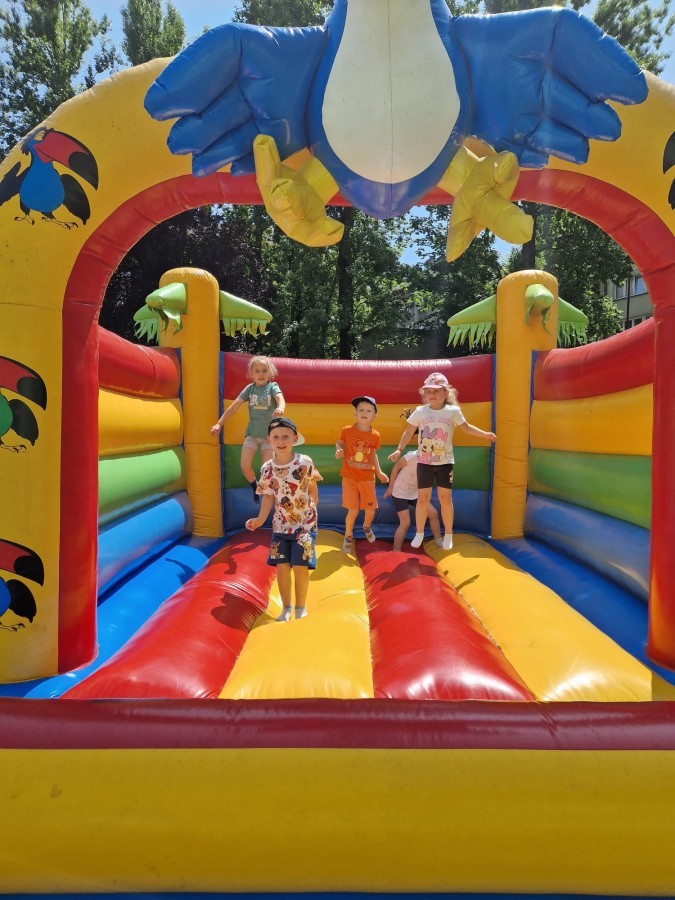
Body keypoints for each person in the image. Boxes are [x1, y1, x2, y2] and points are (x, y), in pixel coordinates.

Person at [388, 372, 496, 551]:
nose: (432, 394)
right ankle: (420, 533)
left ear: (446, 393)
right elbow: (408, 432)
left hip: (445, 462)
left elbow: (466, 428)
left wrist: (484, 434)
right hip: (424, 463)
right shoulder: (420, 411)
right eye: (428, 391)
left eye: (436, 391)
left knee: (445, 498)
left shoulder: (452, 412)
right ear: (424, 394)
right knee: (423, 498)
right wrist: (399, 449)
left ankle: (449, 534)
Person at [246, 416, 318, 621]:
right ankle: (287, 607)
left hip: (305, 525)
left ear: (294, 438)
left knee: (301, 567)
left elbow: (312, 486)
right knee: (282, 567)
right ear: (269, 440)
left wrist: (312, 506)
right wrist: (260, 519)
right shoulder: (267, 468)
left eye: (286, 436)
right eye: (276, 437)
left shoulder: (304, 462)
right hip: (280, 526)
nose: (281, 441)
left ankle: (300, 608)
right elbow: (268, 495)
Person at [211, 356, 285, 503]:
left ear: (270, 373)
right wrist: (219, 423)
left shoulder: (272, 387)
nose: (261, 374)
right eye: (257, 371)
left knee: (266, 469)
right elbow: (234, 407)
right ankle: (254, 484)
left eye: (264, 370)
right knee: (245, 467)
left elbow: (280, 398)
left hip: (269, 437)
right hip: (252, 434)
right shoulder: (249, 389)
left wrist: (280, 407)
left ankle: (268, 494)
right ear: (251, 374)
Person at [335, 396, 389, 553]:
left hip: (367, 478)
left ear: (374, 416)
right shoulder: (347, 430)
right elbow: (340, 442)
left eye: (368, 411)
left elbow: (372, 454)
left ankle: (366, 526)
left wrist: (379, 472)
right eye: (361, 410)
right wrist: (339, 449)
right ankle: (348, 535)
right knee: (353, 511)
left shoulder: (375, 435)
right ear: (356, 414)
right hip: (349, 477)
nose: (364, 413)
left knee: (370, 510)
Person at [384, 448, 443, 551]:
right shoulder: (411, 456)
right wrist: (390, 487)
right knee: (405, 523)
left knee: (433, 514)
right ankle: (396, 550)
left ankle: (439, 543)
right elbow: (396, 467)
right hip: (400, 493)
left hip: (415, 494)